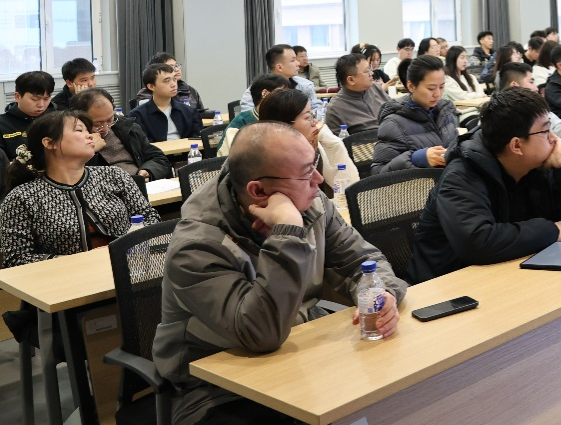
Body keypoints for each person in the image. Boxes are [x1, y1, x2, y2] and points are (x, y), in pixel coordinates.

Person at [153, 123, 406, 425]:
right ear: (258, 191)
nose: (319, 180)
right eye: (306, 173)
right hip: (218, 390)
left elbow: (363, 261)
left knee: (396, 398)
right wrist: (288, 233)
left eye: (315, 163)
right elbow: (261, 334)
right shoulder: (197, 247)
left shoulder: (312, 203)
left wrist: (381, 293)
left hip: (302, 355)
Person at [406, 87, 561, 283]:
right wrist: (551, 231)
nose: (555, 139)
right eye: (546, 131)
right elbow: (477, 242)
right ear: (516, 145)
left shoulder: (539, 166)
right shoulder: (461, 175)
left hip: (512, 273)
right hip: (449, 286)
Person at [0, 110, 159, 268]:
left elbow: (150, 218)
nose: (90, 136)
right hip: (66, 278)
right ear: (49, 143)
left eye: (88, 131)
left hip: (130, 268)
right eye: (79, 130)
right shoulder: (21, 198)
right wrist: (79, 262)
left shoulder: (114, 175)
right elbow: (16, 258)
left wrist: (129, 248)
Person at [252, 89, 358, 189]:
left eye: (313, 116)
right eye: (308, 118)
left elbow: (348, 186)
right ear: (283, 124)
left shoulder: (313, 146)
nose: (315, 122)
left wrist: (332, 143)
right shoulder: (272, 163)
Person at [374, 55, 457, 172]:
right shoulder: (393, 123)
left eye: (442, 87)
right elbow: (379, 172)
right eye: (431, 88)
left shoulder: (445, 111)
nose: (438, 94)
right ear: (411, 86)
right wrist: (417, 158)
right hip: (420, 183)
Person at [71, 88, 172, 181]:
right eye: (97, 124)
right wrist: (90, 151)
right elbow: (76, 179)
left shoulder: (127, 128)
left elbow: (159, 158)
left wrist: (148, 171)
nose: (106, 128)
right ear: (80, 119)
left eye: (110, 120)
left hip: (140, 184)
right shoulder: (72, 142)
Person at [499, 63, 561, 144]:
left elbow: (560, 126)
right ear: (515, 85)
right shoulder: (505, 115)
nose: (536, 88)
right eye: (531, 82)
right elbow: (534, 147)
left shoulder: (534, 106)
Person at [238, 44, 321, 113]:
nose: (298, 63)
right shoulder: (255, 90)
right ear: (279, 67)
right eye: (293, 60)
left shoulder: (305, 85)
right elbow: (248, 116)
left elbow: (318, 109)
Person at [129, 63, 200, 143]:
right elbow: (143, 145)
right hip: (157, 151)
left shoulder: (189, 112)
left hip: (186, 150)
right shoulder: (137, 115)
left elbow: (197, 139)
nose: (173, 84)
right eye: (166, 81)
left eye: (174, 79)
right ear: (151, 86)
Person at [221, 73, 289, 153]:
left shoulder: (284, 118)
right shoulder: (240, 124)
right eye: (282, 93)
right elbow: (230, 157)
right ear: (265, 93)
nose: (287, 99)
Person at [325, 53, 389, 133]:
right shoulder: (336, 108)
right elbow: (336, 140)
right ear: (351, 80)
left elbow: (394, 109)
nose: (372, 73)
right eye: (367, 71)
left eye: (370, 69)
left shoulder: (374, 87)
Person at [0, 71, 54, 159]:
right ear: (17, 96)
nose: (41, 105)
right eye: (35, 99)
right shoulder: (3, 124)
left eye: (46, 99)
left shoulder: (55, 119)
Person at [132, 53, 207, 113]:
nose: (177, 69)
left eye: (176, 66)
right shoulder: (146, 94)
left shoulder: (189, 90)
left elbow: (201, 113)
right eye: (171, 67)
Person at [443, 45, 484, 125]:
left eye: (466, 58)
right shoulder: (447, 80)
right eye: (462, 58)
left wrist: (477, 95)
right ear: (453, 59)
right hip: (464, 115)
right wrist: (479, 95)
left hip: (479, 111)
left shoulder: (471, 77)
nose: (465, 61)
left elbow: (480, 91)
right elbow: (463, 97)